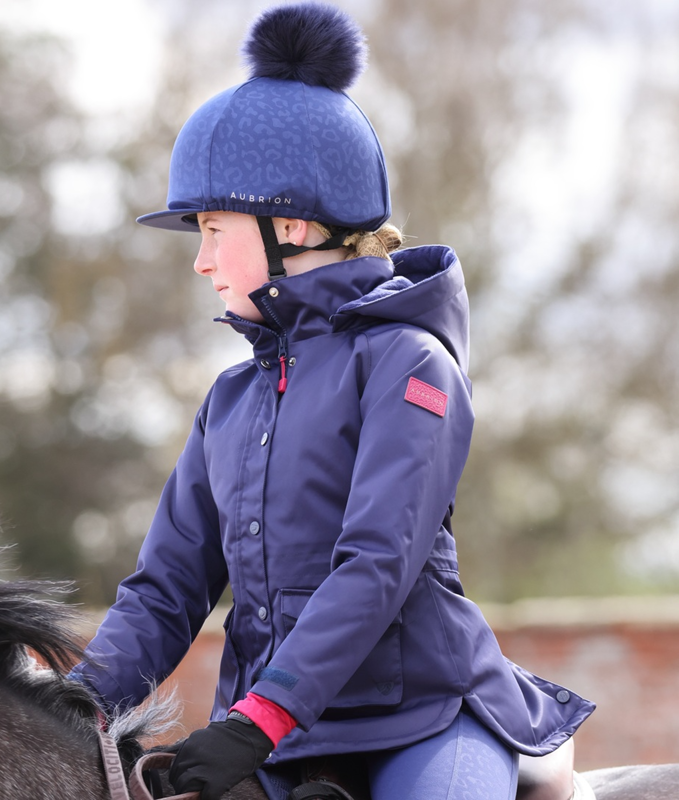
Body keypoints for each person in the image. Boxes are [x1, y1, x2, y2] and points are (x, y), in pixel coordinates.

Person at [69, 4, 595, 799]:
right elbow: (166, 588)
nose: (201, 261)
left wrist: (258, 719)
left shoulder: (410, 364)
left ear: (293, 225)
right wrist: (74, 705)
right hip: (276, 734)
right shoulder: (231, 399)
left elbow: (378, 564)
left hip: (423, 720)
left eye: (213, 229)